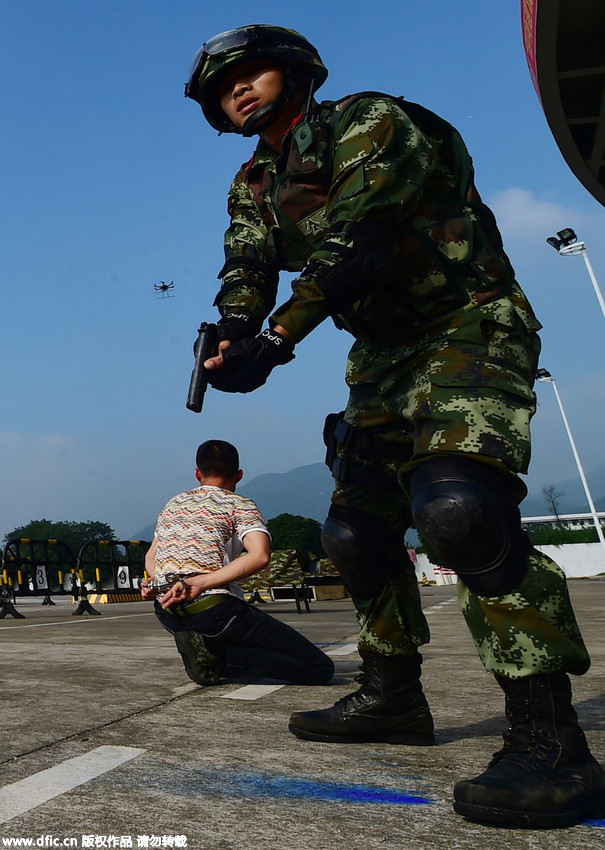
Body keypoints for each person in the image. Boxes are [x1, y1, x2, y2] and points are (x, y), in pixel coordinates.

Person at [183, 26, 605, 828]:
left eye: (250, 72)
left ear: (297, 72)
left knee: (459, 513)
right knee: (353, 531)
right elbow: (247, 261)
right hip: (381, 355)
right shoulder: (254, 181)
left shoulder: (370, 121)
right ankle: (390, 696)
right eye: (219, 87)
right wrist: (233, 328)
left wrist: (275, 341)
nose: (235, 90)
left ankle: (552, 743)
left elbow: (358, 242)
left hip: (466, 327)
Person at [141, 439, 334, 687]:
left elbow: (150, 558)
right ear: (239, 475)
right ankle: (220, 661)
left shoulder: (173, 503)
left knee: (227, 632)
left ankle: (207, 649)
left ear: (197, 473)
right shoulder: (239, 504)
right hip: (216, 613)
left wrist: (157, 585)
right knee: (320, 668)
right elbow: (260, 555)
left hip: (168, 612)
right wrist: (201, 582)